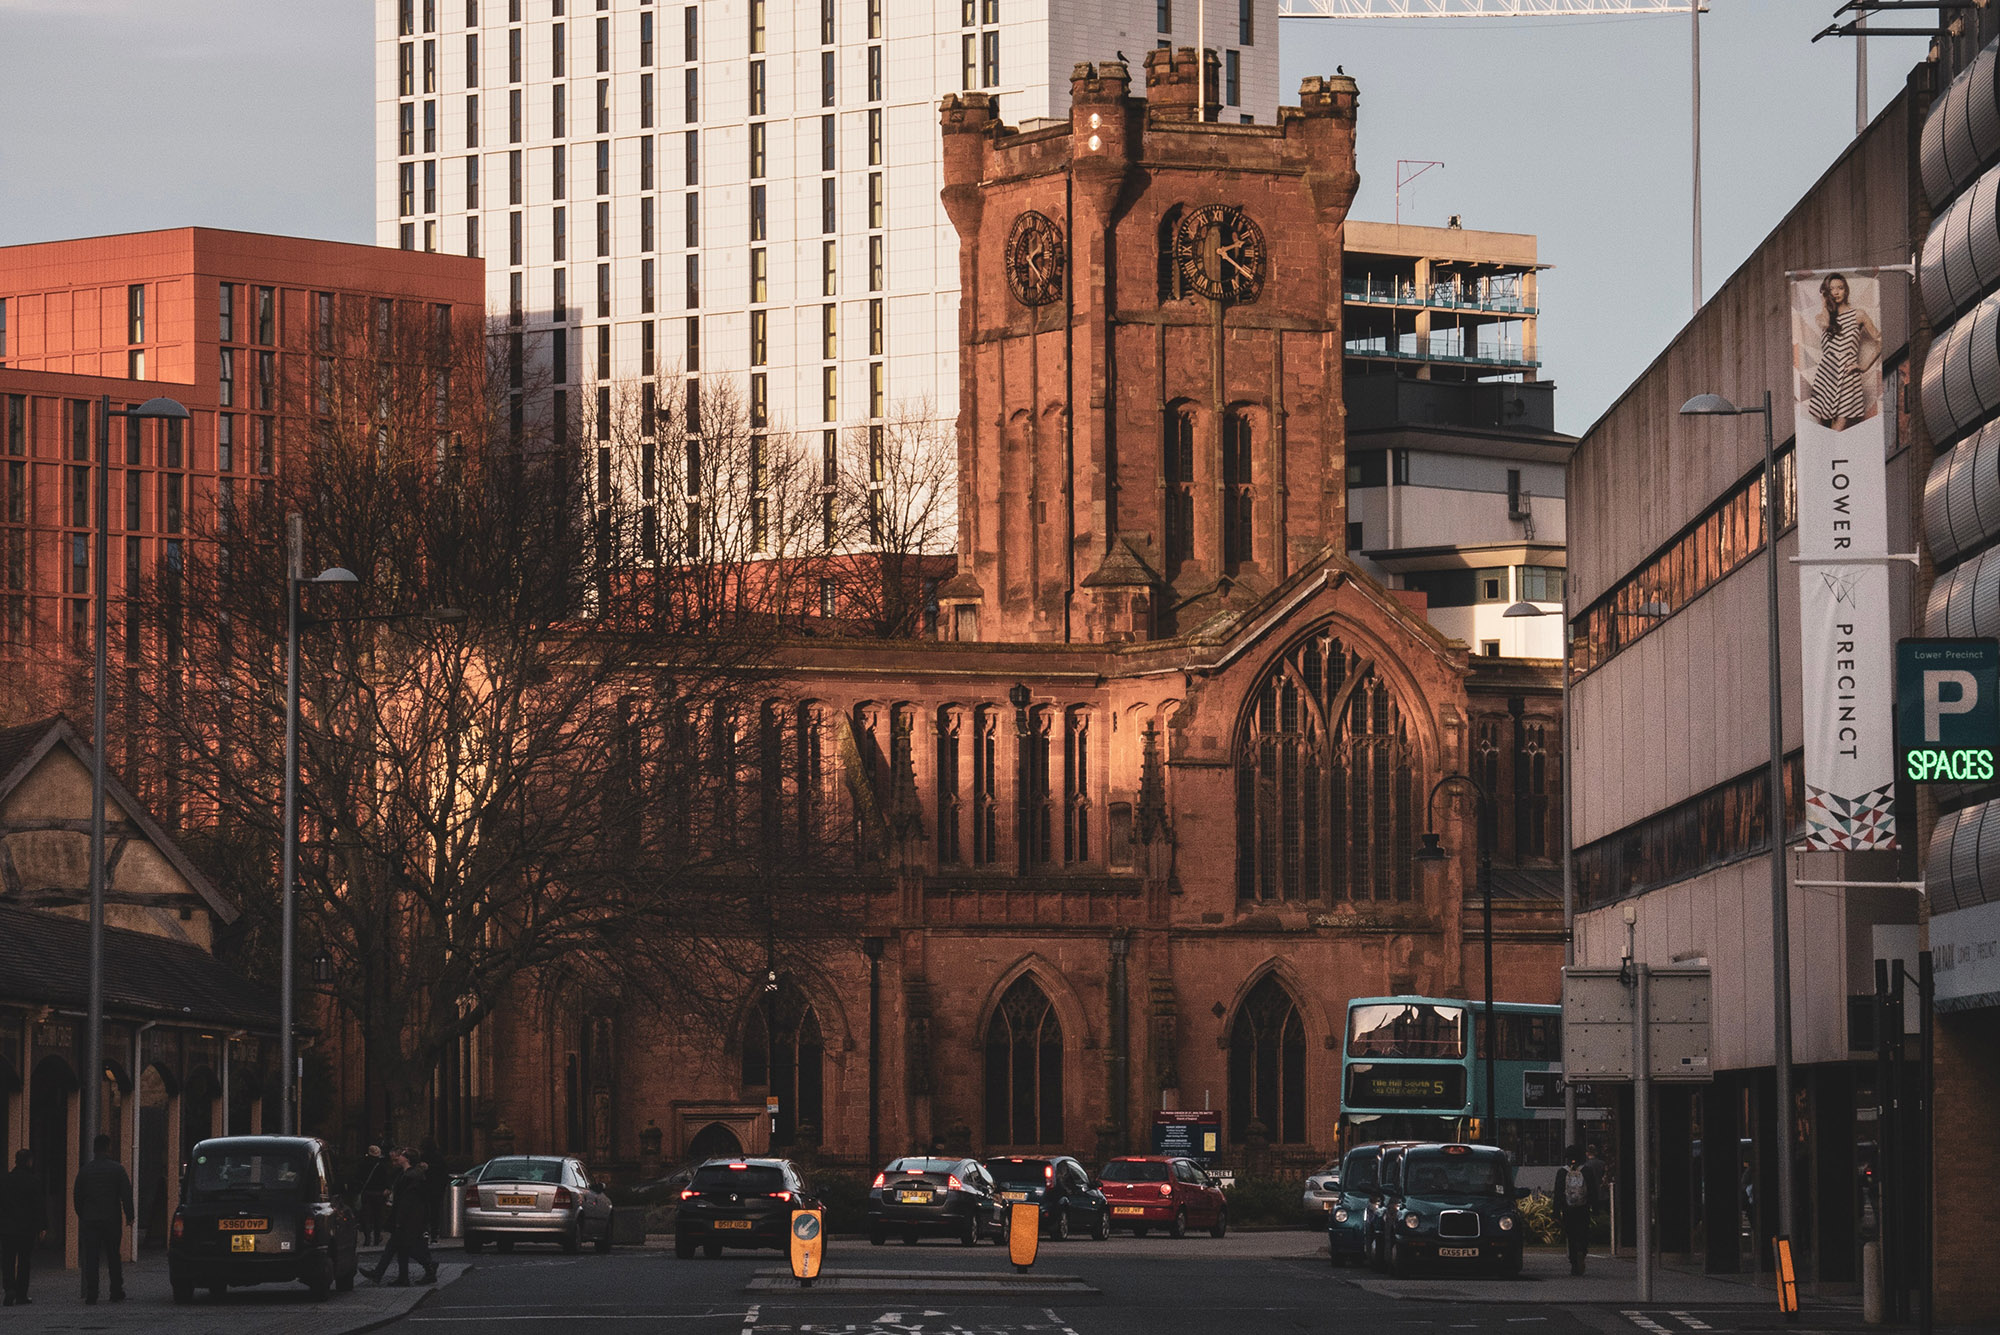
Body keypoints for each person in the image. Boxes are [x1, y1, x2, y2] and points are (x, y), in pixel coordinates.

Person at [1805, 272, 1881, 432]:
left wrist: (1864, 366)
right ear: (1827, 292)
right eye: (1832, 289)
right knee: (1824, 429)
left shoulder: (1858, 315)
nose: (1837, 292)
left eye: (1840, 288)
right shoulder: (1822, 317)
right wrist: (1824, 303)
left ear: (1846, 290)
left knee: (1839, 426)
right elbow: (1825, 323)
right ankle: (1827, 455)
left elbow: (1880, 340)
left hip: (1847, 374)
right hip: (1827, 373)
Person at [72, 1134, 134, 1304]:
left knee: (91, 1257)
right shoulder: (117, 1169)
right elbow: (126, 1194)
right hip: (111, 1219)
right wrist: (130, 1216)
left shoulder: (85, 1170)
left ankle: (92, 1292)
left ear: (94, 1149)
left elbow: (77, 1196)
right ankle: (115, 1290)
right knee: (113, 1255)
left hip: (90, 1220)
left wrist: (82, 1214)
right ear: (108, 1148)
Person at [367, 1149, 437, 1287]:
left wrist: (400, 1219)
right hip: (407, 1217)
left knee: (404, 1246)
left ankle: (429, 1266)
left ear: (407, 1159)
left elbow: (408, 1201)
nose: (399, 1157)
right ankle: (400, 1276)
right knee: (396, 1246)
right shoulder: (406, 1174)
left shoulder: (411, 1176)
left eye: (402, 1155)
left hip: (409, 1218)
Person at [0, 1149, 47, 1307]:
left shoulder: (5, 1180)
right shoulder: (33, 1181)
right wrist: (42, 1226)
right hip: (26, 1228)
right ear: (28, 1161)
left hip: (7, 1228)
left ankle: (9, 1288)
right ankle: (21, 1294)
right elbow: (39, 1206)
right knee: (24, 1261)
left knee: (7, 1259)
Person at [1556, 1144, 1598, 1277]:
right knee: (1583, 1233)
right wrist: (1595, 1208)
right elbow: (1592, 1191)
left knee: (1571, 1235)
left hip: (1568, 1210)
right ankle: (1582, 1251)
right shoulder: (1587, 1171)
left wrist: (1556, 1211)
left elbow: (1558, 1193)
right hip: (1583, 1209)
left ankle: (1574, 1263)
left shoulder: (1562, 1172)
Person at [356, 1145, 392, 1247]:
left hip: (367, 1193)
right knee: (378, 1217)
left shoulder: (362, 1164)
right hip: (379, 1194)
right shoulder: (381, 1165)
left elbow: (357, 1178)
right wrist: (387, 1188)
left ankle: (367, 1238)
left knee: (366, 1217)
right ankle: (377, 1238)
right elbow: (387, 1179)